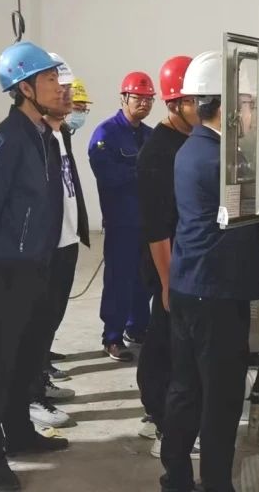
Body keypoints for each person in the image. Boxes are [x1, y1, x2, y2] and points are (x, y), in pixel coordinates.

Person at [160, 51, 259, 492]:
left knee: (186, 389)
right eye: (247, 104)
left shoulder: (193, 148)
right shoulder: (222, 161)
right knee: (221, 398)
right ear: (224, 107)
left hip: (190, 286)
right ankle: (216, 483)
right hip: (217, 294)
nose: (251, 114)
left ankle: (175, 476)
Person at [0, 41, 69, 492]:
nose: (58, 85)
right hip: (9, 268)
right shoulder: (8, 138)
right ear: (24, 88)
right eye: (48, 78)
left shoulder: (43, 136)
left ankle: (20, 432)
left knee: (27, 356)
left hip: (38, 263)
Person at [136, 56, 200, 459]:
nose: (203, 108)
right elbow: (156, 227)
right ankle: (158, 416)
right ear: (174, 104)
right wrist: (167, 282)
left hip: (187, 261)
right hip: (167, 262)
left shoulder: (189, 139)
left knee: (178, 341)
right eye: (195, 101)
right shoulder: (157, 152)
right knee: (164, 340)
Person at [27, 53, 91, 430]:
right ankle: (30, 397)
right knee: (35, 324)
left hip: (66, 240)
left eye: (67, 87)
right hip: (44, 246)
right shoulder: (28, 137)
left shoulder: (60, 133)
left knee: (50, 319)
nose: (67, 94)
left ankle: (40, 379)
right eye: (58, 86)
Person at [88, 72, 155, 362]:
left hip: (147, 221)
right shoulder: (106, 134)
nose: (144, 103)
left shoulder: (150, 135)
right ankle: (112, 337)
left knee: (145, 279)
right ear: (123, 98)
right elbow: (107, 175)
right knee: (120, 279)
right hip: (121, 221)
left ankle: (137, 328)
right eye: (138, 98)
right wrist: (142, 171)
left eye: (149, 99)